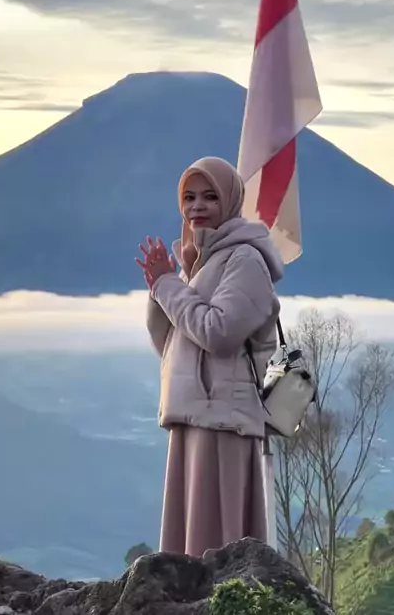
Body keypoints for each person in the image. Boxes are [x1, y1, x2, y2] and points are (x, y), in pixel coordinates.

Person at [135, 156, 284, 558]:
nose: (197, 206)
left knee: (216, 545)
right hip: (193, 416)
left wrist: (169, 286)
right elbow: (172, 345)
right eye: (189, 197)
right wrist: (164, 284)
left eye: (209, 196)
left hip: (224, 422)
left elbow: (219, 334)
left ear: (230, 201)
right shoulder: (201, 262)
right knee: (190, 548)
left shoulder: (245, 261)